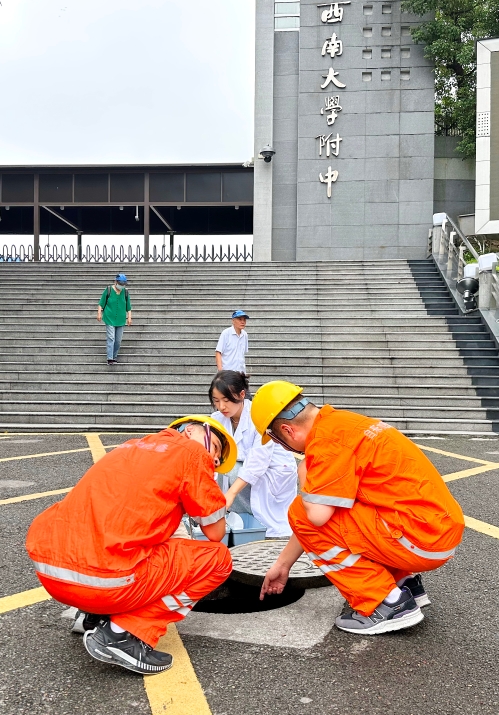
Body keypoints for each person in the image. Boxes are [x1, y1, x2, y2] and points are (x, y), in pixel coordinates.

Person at [25, 415, 236, 675]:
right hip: (104, 583)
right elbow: (215, 533)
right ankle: (121, 634)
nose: (215, 460)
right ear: (191, 431)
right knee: (217, 560)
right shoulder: (192, 452)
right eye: (215, 448)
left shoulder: (130, 447)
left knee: (138, 538)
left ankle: (93, 616)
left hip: (54, 573)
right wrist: (209, 485)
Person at [250, 381, 465, 635]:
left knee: (303, 509)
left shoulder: (326, 443)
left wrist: (303, 474)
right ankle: (404, 583)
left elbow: (315, 518)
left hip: (421, 539)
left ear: (287, 430)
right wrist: (283, 565)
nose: (283, 447)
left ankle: (386, 602)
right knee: (335, 508)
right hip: (433, 528)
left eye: (277, 440)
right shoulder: (340, 422)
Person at [209, 370, 297, 538]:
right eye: (216, 401)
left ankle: (249, 518)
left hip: (273, 468)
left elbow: (258, 461)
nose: (221, 407)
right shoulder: (217, 418)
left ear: (242, 394)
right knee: (222, 470)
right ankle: (235, 516)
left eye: (226, 400)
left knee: (232, 472)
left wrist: (231, 493)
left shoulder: (258, 415)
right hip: (242, 465)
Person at [97, 273, 132, 365]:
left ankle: (114, 356)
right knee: (111, 338)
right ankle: (110, 358)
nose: (121, 286)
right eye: (120, 284)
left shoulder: (126, 292)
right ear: (115, 282)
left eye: (123, 284)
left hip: (120, 319)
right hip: (109, 318)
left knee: (118, 340)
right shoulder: (108, 290)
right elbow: (101, 303)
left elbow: (128, 307)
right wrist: (99, 313)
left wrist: (129, 317)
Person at [215, 309, 249, 374]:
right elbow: (218, 352)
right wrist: (220, 372)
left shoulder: (245, 335)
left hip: (241, 373)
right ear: (233, 321)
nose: (243, 322)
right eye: (240, 319)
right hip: (227, 373)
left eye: (244, 320)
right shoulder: (226, 333)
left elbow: (242, 354)